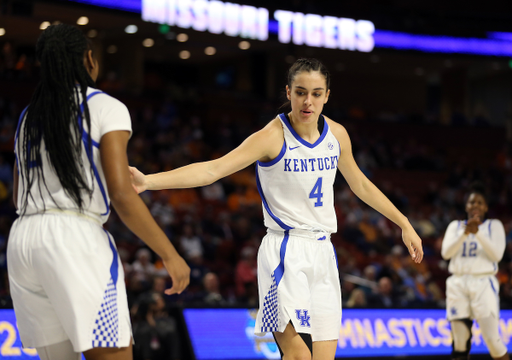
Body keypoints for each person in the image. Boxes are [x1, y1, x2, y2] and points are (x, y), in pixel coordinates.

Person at [129, 58, 423, 360]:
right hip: (285, 250)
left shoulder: (337, 135)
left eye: (316, 93)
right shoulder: (272, 136)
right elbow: (212, 170)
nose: (308, 101)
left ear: (327, 95)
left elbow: (360, 185)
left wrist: (404, 223)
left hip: (324, 252)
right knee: (298, 357)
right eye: (300, 92)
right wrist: (148, 181)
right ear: (288, 92)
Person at [7, 24, 190, 360]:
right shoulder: (105, 106)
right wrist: (169, 254)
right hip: (73, 238)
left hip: (22, 241)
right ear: (88, 59)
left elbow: (17, 196)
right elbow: (122, 194)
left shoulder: (27, 116)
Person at [441, 182, 509, 360]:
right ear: (466, 206)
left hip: (483, 283)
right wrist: (465, 233)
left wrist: (477, 232)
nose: (475, 206)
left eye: (479, 202)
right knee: (459, 343)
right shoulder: (455, 226)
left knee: (492, 341)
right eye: (472, 202)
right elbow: (446, 253)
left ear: (485, 207)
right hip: (457, 283)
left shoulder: (494, 226)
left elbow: (497, 255)